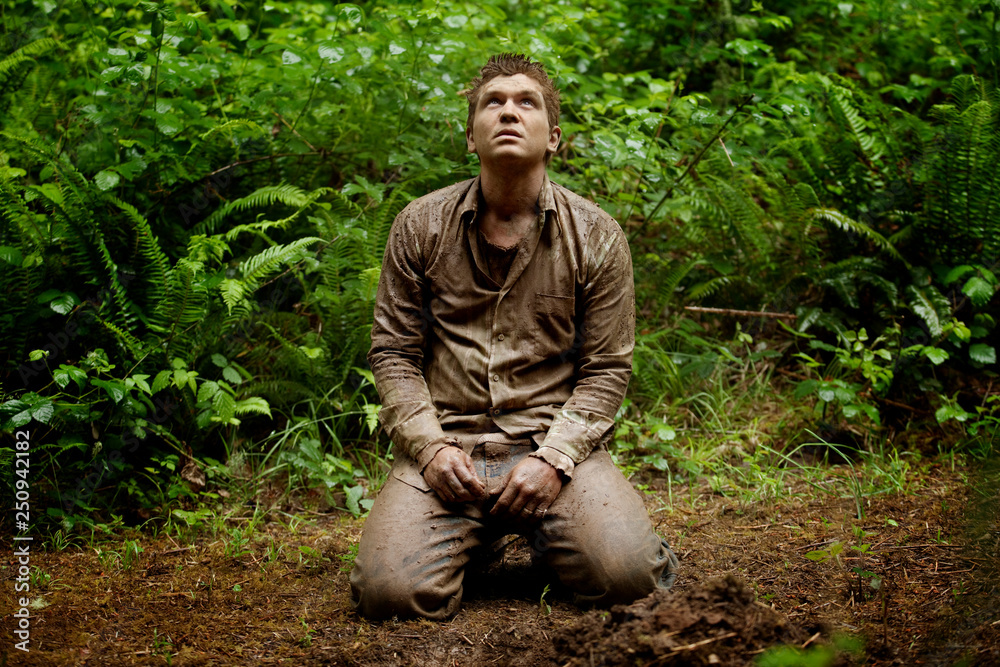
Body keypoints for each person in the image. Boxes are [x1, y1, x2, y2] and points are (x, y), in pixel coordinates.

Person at [350, 53, 678, 620]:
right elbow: (395, 353)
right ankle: (477, 542)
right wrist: (430, 449)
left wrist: (554, 459)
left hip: (553, 447)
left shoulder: (597, 235)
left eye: (527, 102)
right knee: (388, 595)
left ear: (553, 138)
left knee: (630, 579)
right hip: (449, 448)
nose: (508, 112)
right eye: (493, 103)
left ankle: (563, 538)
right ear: (470, 138)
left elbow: (606, 370)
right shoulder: (420, 225)